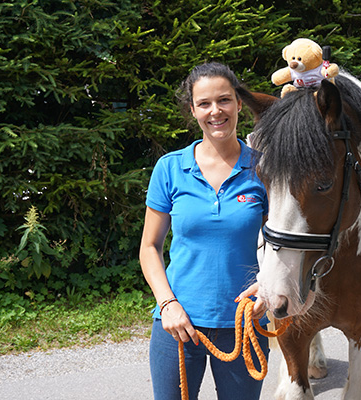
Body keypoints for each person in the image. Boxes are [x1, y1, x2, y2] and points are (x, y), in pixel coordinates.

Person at [139, 62, 269, 400]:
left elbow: (282, 244)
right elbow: (150, 247)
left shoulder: (265, 169)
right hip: (177, 323)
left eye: (224, 100)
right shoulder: (169, 168)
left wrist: (267, 286)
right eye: (204, 103)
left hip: (245, 322)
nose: (216, 111)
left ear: (239, 104)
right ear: (193, 110)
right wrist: (167, 304)